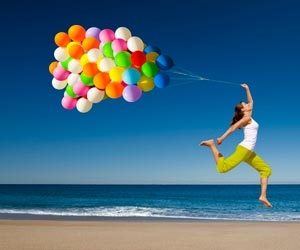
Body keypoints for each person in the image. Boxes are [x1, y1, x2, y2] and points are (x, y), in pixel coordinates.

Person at [199, 83, 272, 208]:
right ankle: (211, 145)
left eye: (246, 104)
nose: (248, 104)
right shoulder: (246, 118)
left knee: (266, 170)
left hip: (249, 152)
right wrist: (222, 137)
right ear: (243, 110)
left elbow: (251, 100)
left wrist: (247, 88)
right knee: (223, 169)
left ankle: (263, 196)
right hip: (244, 149)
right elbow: (233, 128)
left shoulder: (250, 115)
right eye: (245, 104)